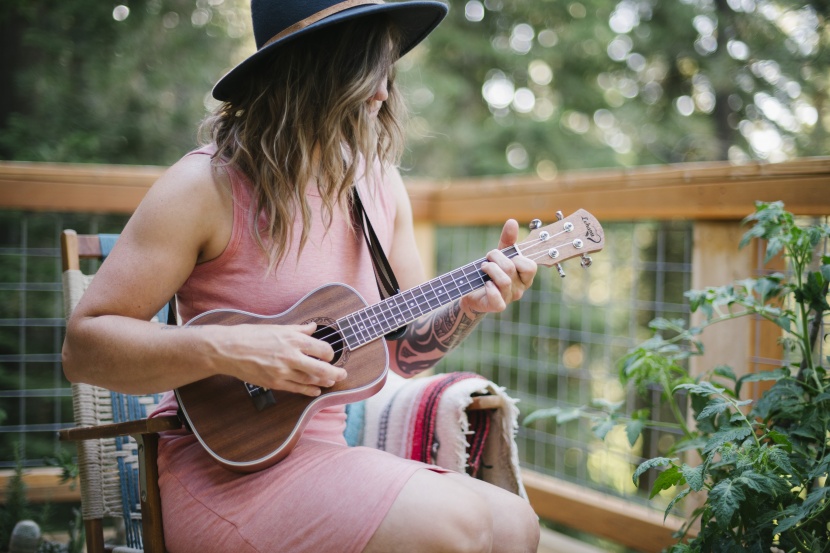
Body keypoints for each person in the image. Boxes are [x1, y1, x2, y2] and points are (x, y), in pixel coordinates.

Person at [62, 1, 540, 551]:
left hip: (325, 459)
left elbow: (403, 356)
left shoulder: (379, 187)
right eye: (365, 68)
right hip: (221, 474)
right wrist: (229, 348)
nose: (382, 93)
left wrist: (468, 309)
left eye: (387, 70)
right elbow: (83, 348)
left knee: (515, 524)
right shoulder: (205, 185)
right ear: (307, 69)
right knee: (458, 522)